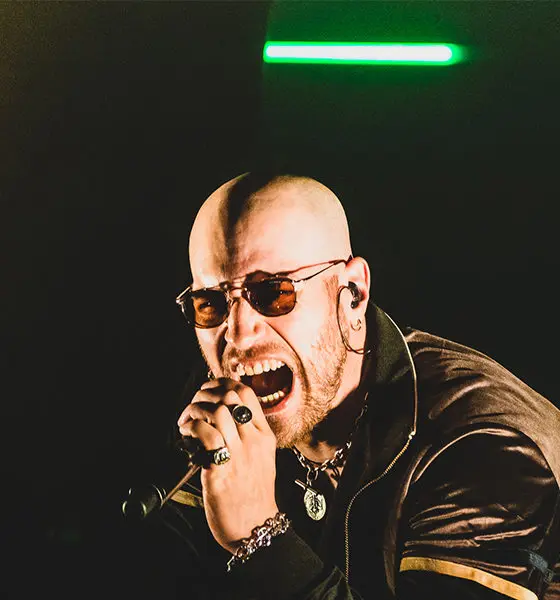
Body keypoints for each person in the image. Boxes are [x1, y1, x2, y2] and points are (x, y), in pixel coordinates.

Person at [150, 171, 560, 599]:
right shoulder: (223, 407)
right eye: (210, 304)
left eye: (273, 293)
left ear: (353, 294)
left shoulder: (483, 444)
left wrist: (260, 538)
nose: (237, 335)